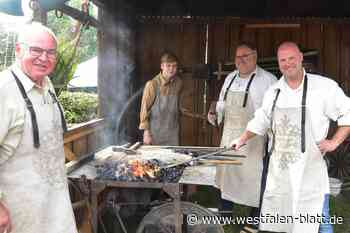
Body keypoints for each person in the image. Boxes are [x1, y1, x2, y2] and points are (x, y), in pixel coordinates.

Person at [233, 41, 350, 233]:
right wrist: (242, 138)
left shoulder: (324, 87)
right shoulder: (274, 91)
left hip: (310, 168)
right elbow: (261, 119)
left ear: (301, 58)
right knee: (282, 219)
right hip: (281, 170)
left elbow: (347, 112)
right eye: (283, 60)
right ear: (279, 63)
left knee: (319, 218)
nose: (288, 63)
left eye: (292, 58)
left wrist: (334, 142)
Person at [0, 22, 77, 233]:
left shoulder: (47, 83)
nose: (44, 58)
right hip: (20, 213)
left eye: (50, 52)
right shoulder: (4, 90)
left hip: (55, 207)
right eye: (36, 50)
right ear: (18, 50)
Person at [208, 42, 277, 233]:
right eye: (238, 57)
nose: (241, 60)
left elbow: (272, 113)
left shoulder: (268, 80)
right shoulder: (230, 77)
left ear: (255, 56)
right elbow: (222, 103)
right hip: (229, 136)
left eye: (245, 56)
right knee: (226, 177)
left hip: (254, 140)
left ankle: (254, 221)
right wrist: (214, 113)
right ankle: (225, 213)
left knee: (254, 181)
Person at [139, 51, 183, 145]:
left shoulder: (178, 83)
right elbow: (144, 110)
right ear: (162, 66)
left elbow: (179, 105)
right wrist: (146, 133)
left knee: (174, 159)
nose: (171, 69)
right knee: (155, 159)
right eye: (168, 65)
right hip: (155, 133)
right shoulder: (152, 85)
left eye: (174, 66)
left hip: (172, 133)